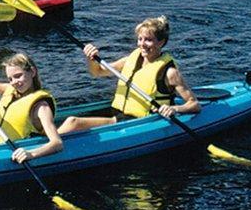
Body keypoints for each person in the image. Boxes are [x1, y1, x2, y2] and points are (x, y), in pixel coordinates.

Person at [58, 15, 199, 135]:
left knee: (73, 122)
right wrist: (91, 58)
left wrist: (174, 108)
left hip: (136, 121)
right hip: (117, 112)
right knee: (68, 119)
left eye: (148, 40)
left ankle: (47, 147)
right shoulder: (130, 60)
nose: (142, 44)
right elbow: (97, 72)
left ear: (161, 42)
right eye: (140, 39)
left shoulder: (170, 73)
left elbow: (194, 104)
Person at [0, 52, 64, 166]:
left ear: (32, 72)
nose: (14, 82)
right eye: (10, 79)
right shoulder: (9, 89)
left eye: (18, 76)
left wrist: (31, 154)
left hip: (13, 155)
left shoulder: (41, 106)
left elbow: (57, 143)